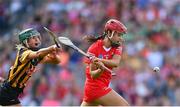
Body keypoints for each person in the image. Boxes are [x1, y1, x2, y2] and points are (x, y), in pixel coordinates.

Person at [0, 28, 61, 106]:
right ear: (26, 41)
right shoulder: (24, 52)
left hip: (13, 92)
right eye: (33, 38)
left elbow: (57, 61)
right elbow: (38, 54)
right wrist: (51, 48)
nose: (37, 40)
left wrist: (54, 55)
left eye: (37, 37)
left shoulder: (37, 54)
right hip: (8, 92)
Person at [81, 19, 129, 106]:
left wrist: (99, 60)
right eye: (119, 35)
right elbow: (93, 74)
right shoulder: (94, 48)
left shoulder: (117, 47)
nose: (120, 38)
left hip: (100, 87)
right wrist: (100, 70)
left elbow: (115, 63)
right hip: (95, 88)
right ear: (109, 33)